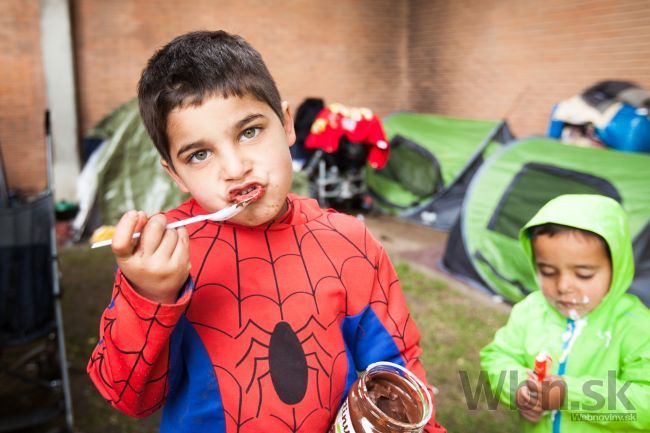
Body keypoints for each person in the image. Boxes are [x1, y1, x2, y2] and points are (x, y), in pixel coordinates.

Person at [86, 30, 445, 433]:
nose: (236, 168)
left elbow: (398, 371)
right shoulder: (160, 259)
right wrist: (150, 298)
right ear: (176, 174)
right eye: (200, 154)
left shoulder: (350, 243)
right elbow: (130, 398)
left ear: (287, 125)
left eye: (250, 131)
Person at [480, 194, 650, 432]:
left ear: (617, 266)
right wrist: (518, 388)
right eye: (548, 271)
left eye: (584, 274)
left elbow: (645, 403)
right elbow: (498, 356)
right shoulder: (531, 310)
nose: (563, 286)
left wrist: (569, 395)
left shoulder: (637, 326)